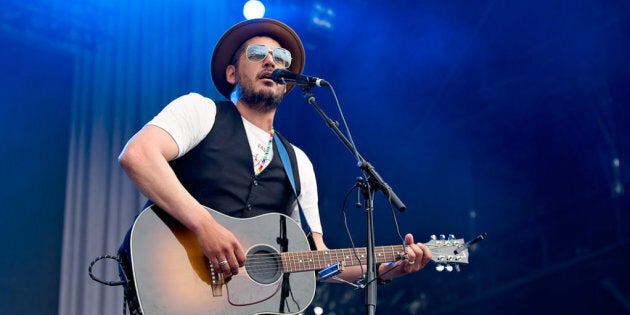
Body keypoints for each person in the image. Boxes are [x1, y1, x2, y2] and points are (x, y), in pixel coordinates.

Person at [117, 18, 432, 313]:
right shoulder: (200, 111)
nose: (271, 62)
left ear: (287, 82)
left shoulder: (298, 163)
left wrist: (383, 267)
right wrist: (205, 225)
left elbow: (319, 261)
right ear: (231, 73)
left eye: (281, 57)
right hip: (177, 287)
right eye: (256, 54)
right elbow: (138, 156)